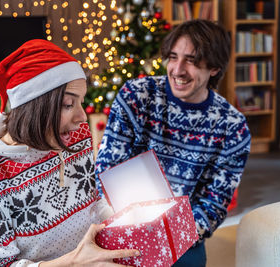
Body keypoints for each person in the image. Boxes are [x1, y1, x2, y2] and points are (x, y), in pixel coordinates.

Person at [0, 39, 139, 267]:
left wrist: (127, 219)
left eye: (81, 102)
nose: (82, 117)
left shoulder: (74, 136)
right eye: (68, 104)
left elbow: (92, 204)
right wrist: (73, 262)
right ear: (35, 107)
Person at [95, 19, 251, 266]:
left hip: (182, 236)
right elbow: (106, 170)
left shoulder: (232, 126)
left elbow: (213, 205)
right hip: (121, 224)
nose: (177, 70)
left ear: (214, 68)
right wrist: (127, 230)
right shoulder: (136, 96)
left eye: (191, 60)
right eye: (173, 57)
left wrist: (166, 238)